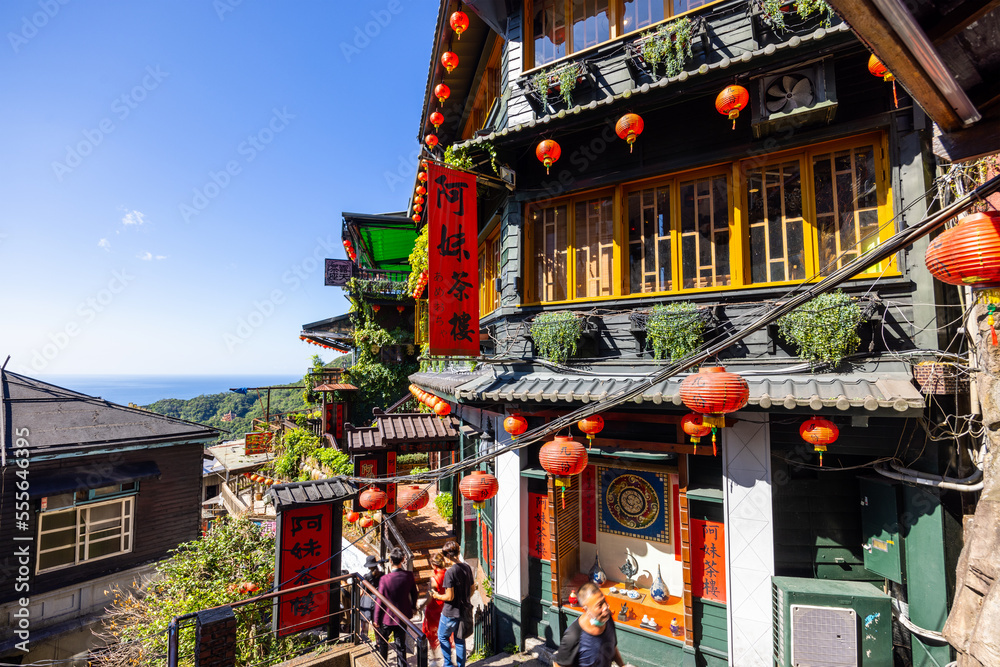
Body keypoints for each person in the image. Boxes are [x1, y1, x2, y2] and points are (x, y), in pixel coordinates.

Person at [552, 583, 627, 667]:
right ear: (586, 610)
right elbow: (558, 665)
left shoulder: (607, 619)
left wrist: (622, 665)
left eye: (604, 601)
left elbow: (612, 646)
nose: (605, 607)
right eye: (599, 605)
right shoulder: (573, 636)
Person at [430, 540, 475, 667]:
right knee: (460, 640)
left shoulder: (450, 572)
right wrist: (464, 599)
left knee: (442, 636)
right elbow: (472, 589)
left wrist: (437, 595)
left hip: (450, 612)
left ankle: (448, 665)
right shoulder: (467, 567)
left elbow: (449, 596)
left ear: (448, 556)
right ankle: (461, 665)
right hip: (463, 610)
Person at [375, 547, 418, 667]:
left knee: (383, 643)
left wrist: (376, 619)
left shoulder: (385, 579)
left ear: (390, 560)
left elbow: (380, 600)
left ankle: (382, 663)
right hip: (402, 616)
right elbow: (414, 593)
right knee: (401, 644)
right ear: (403, 559)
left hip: (387, 617)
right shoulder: (408, 576)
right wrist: (413, 607)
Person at [422, 552, 448, 665]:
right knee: (444, 634)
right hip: (445, 608)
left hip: (434, 610)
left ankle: (434, 660)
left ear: (433, 565)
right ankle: (446, 658)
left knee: (432, 636)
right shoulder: (448, 573)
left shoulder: (434, 579)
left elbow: (429, 597)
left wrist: (421, 606)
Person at [359, 555, 383, 637]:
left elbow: (362, 592)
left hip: (368, 601)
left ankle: (364, 638)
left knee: (365, 621)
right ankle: (379, 643)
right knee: (377, 622)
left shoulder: (366, 577)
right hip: (379, 600)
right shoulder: (382, 575)